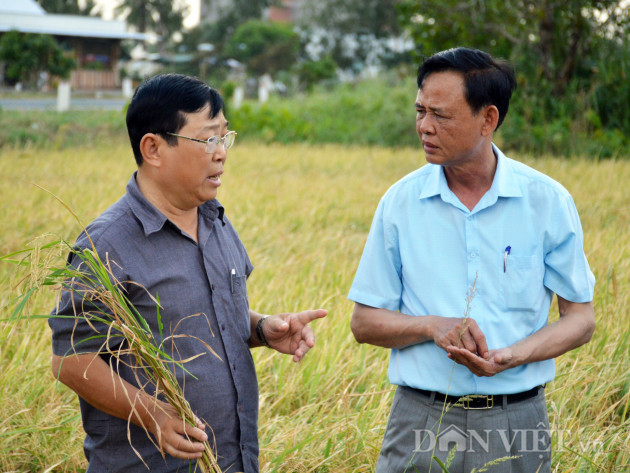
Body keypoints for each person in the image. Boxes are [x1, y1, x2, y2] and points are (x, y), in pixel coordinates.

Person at [49, 73, 327, 473]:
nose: (221, 154)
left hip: (234, 460)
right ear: (154, 148)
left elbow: (206, 314)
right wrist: (153, 414)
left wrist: (264, 328)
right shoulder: (106, 244)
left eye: (225, 138)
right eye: (208, 139)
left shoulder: (215, 221)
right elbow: (71, 360)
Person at [348, 47, 595, 473]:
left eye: (440, 115)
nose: (424, 126)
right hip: (421, 418)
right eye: (420, 111)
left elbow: (581, 319)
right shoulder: (400, 203)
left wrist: (513, 356)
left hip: (517, 421)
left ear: (488, 120)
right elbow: (365, 323)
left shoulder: (547, 201)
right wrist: (430, 326)